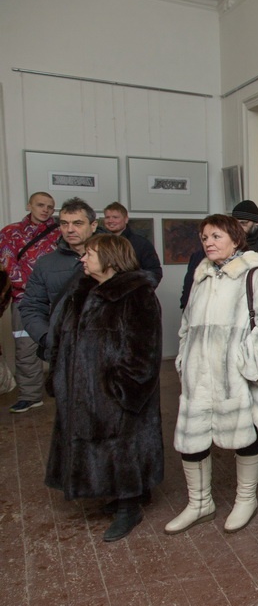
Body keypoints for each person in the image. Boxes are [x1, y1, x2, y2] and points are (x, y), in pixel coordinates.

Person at [166, 214, 258, 535]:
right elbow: (187, 324)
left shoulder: (255, 275)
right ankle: (199, 503)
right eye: (205, 237)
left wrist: (249, 365)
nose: (208, 242)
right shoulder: (202, 275)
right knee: (192, 441)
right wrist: (184, 360)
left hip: (235, 375)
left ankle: (246, 499)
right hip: (197, 376)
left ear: (236, 239)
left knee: (243, 438)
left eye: (216, 236)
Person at [44, 234, 163, 542]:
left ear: (111, 258)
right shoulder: (82, 289)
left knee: (124, 447)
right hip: (83, 388)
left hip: (116, 393)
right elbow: (61, 334)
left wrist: (122, 390)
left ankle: (129, 506)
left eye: (90, 254)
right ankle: (125, 494)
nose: (82, 259)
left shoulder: (136, 293)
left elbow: (144, 352)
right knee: (100, 446)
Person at [20, 197, 103, 364]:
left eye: (78, 223)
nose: (69, 229)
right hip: (63, 355)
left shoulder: (114, 257)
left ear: (93, 225)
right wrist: (47, 338)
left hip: (104, 353)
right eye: (64, 224)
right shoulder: (46, 263)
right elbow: (31, 305)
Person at [0, 192, 59, 413]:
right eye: (41, 205)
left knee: (62, 344)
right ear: (29, 205)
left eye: (50, 207)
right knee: (25, 347)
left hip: (57, 299)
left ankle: (64, 390)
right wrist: (34, 289)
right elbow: (7, 264)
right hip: (25, 300)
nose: (45, 210)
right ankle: (30, 395)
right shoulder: (10, 232)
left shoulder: (62, 232)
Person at [102, 201, 163, 286]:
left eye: (115, 217)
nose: (110, 221)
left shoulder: (141, 243)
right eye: (107, 217)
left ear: (126, 219)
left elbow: (155, 272)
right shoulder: (99, 244)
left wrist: (141, 292)